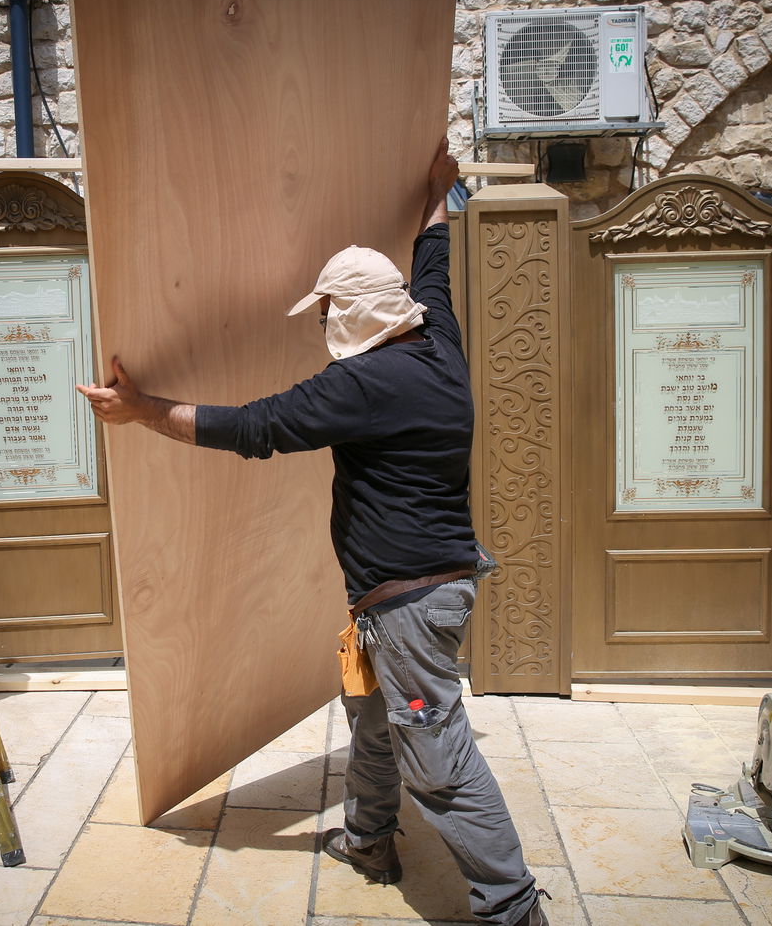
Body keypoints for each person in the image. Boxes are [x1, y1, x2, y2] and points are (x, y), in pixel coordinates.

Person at [77, 139, 546, 926]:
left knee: (439, 763)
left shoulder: (364, 384)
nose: (323, 322)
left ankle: (513, 906)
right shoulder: (436, 340)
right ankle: (368, 839)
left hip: (411, 605)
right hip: (406, 594)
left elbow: (252, 426)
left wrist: (139, 411)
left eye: (329, 309)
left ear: (358, 313)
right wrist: (440, 190)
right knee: (368, 715)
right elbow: (433, 254)